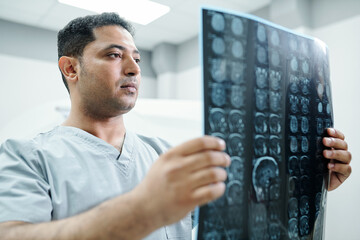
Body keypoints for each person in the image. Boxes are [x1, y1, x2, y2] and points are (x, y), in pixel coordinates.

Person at [0, 12, 352, 240]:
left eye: (136, 58)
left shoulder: (163, 153)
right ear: (71, 68)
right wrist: (144, 210)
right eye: (113, 55)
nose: (135, 69)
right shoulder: (28, 157)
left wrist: (306, 181)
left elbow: (230, 224)